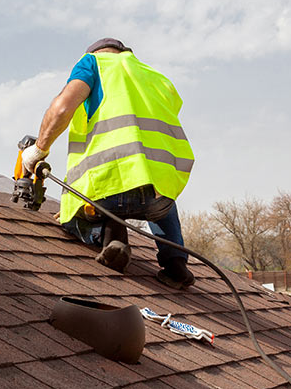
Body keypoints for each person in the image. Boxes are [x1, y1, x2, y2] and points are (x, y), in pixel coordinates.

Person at [21, 38, 195, 288]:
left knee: (69, 218)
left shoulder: (93, 63)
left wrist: (38, 150)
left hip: (109, 189)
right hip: (160, 192)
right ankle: (176, 263)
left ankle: (111, 237)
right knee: (160, 197)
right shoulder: (155, 77)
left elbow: (61, 109)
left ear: (97, 53)